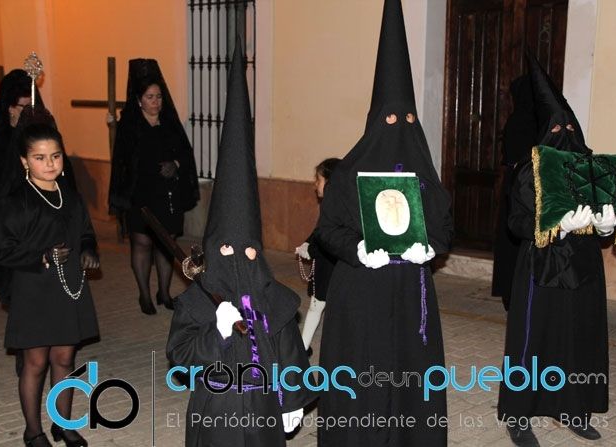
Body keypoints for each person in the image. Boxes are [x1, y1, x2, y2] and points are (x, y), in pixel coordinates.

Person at [315, 1, 453, 445]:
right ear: (375, 122)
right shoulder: (347, 175)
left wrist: (429, 247)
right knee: (364, 376)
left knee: (411, 373)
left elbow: (443, 228)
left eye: (407, 119)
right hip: (362, 295)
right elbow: (328, 231)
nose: (399, 127)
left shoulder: (425, 177)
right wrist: (358, 249)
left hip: (412, 295)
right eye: (389, 119)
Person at [166, 41, 316, 447]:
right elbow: (180, 358)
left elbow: (290, 352)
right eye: (227, 250)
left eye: (249, 250)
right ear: (213, 249)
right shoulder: (197, 302)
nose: (240, 259)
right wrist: (216, 331)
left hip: (265, 414)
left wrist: (293, 401)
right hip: (216, 417)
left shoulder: (273, 298)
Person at [497, 53, 616, 447]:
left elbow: (603, 212)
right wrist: (552, 226)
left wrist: (606, 228)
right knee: (534, 340)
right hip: (541, 265)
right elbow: (516, 223)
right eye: (555, 127)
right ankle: (519, 415)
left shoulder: (591, 168)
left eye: (569, 127)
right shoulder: (529, 171)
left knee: (578, 337)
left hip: (583, 268)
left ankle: (574, 408)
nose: (563, 133)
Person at [0, 109, 99, 447]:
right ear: (25, 161)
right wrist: (40, 256)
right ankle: (33, 431)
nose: (49, 163)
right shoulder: (14, 202)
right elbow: (0, 250)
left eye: (55, 155)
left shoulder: (71, 196)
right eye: (40, 158)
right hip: (34, 289)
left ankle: (63, 424)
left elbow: (85, 232)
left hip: (69, 287)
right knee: (35, 363)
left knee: (64, 358)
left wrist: (88, 249)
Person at [109, 59, 199, 315]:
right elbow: (122, 162)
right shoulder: (130, 126)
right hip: (140, 194)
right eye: (150, 97)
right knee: (142, 243)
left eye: (158, 97)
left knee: (166, 243)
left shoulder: (170, 124)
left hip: (167, 194)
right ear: (139, 100)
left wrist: (176, 164)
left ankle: (164, 292)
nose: (155, 102)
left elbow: (186, 154)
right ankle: (144, 295)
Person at [491, 75, 538, 311]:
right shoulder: (538, 122)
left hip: (515, 184)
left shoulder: (516, 121)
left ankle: (509, 291)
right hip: (531, 187)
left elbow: (509, 155)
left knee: (511, 240)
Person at [295, 157, 340, 355]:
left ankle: (303, 347)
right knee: (317, 305)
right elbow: (318, 232)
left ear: (329, 182)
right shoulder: (333, 205)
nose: (315, 185)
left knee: (318, 305)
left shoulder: (336, 209)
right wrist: (307, 243)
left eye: (318, 180)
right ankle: (303, 346)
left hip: (330, 267)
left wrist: (310, 250)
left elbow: (328, 239)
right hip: (328, 266)